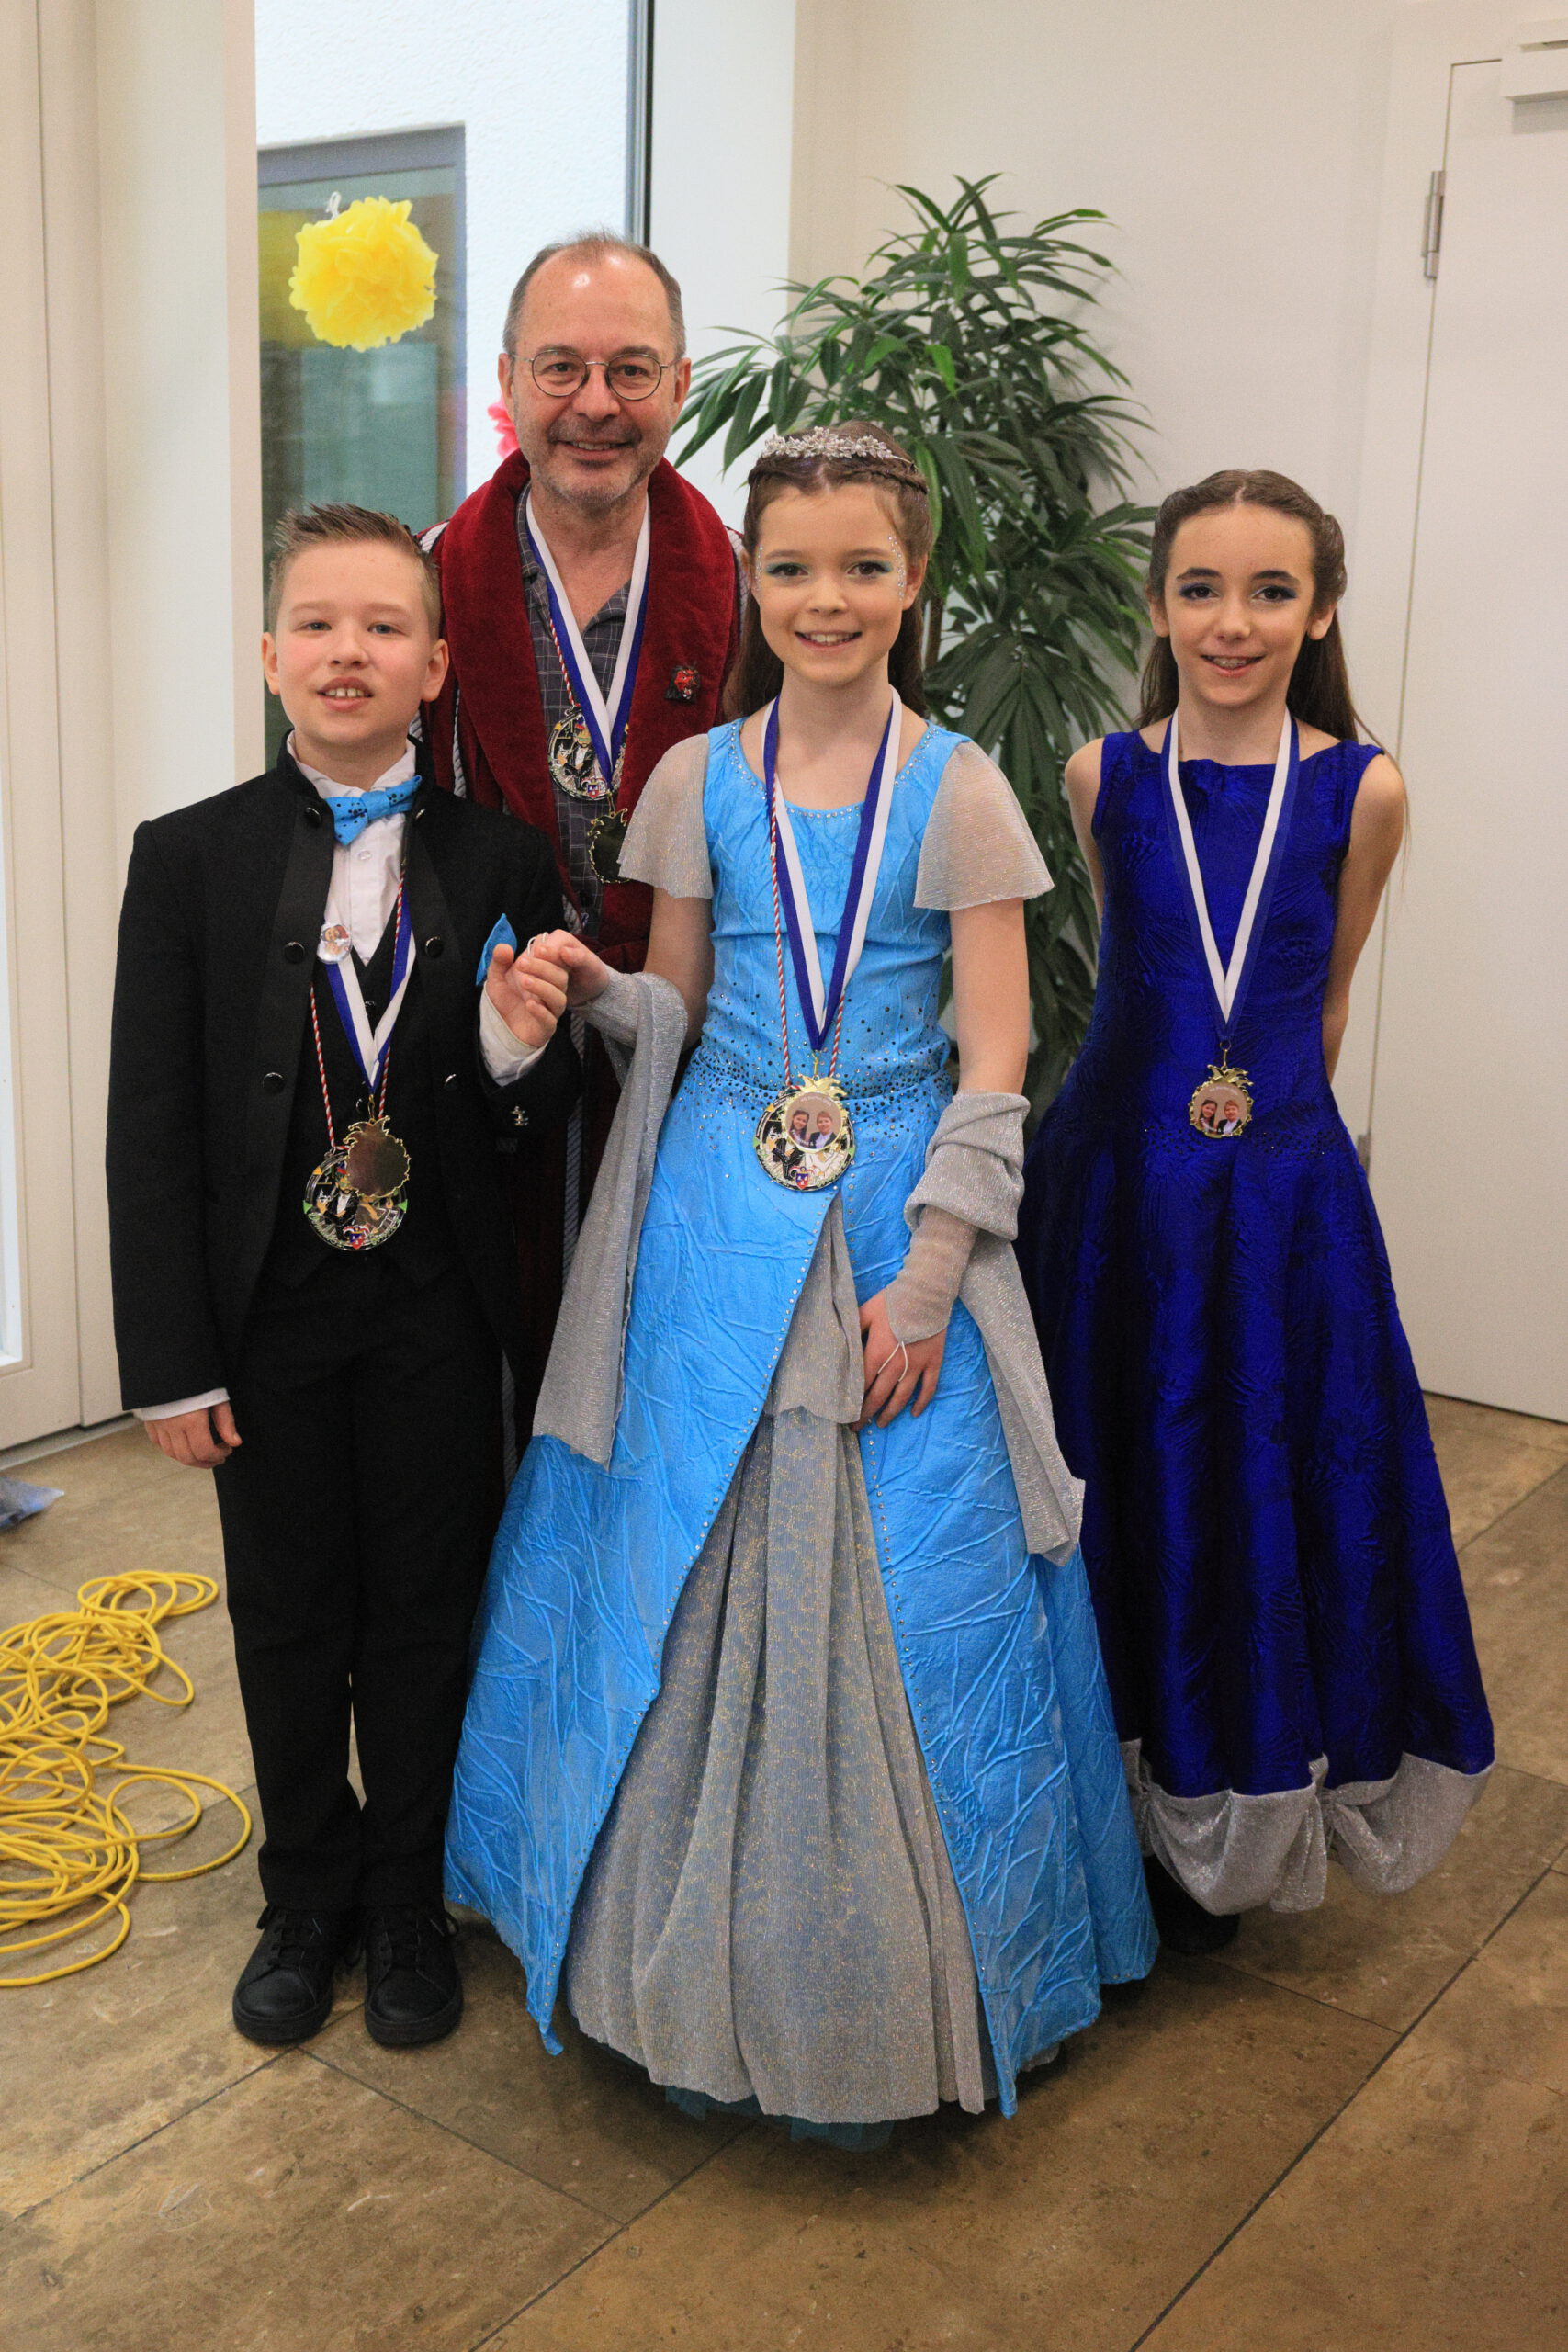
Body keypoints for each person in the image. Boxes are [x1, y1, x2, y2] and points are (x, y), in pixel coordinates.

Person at [445, 424, 1156, 2144]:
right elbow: (679, 1008)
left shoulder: (959, 786)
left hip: (895, 1208)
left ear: (913, 580)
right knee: (672, 1532)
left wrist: (930, 1279)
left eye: (861, 567)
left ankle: (905, 1996)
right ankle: (666, 1965)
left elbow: (1001, 1051)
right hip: (716, 1198)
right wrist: (586, 996)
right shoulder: (699, 776)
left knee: (909, 1560)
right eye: (790, 568)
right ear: (748, 583)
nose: (824, 598)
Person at [107, 504, 579, 2049]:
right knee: (288, 1606)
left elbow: (544, 1113)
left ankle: (407, 1893)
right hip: (267, 1318)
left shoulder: (503, 857)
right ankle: (303, 1893)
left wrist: (513, 1047)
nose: (348, 651)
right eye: (316, 623)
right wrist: (169, 1362)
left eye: (385, 626)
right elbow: (149, 1126)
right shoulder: (187, 858)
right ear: (269, 657)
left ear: (437, 665)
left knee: (426, 1607)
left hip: (437, 1307)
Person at [1014, 470, 1495, 1955]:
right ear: (1159, 605)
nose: (1234, 622)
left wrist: (1264, 1151)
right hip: (1116, 1193)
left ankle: (1228, 1785)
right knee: (1120, 1477)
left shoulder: (1364, 789)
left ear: (1321, 611)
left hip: (1278, 1200)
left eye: (1271, 591)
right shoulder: (1103, 776)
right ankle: (1111, 1801)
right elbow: (1135, 974)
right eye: (1202, 589)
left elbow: (1323, 998)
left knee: (1253, 1485)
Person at [421, 234, 742, 1426]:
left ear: (681, 383)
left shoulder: (754, 594)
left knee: (673, 1430)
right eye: (560, 367)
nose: (595, 404)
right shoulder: (421, 589)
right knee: (483, 1435)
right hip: (479, 1078)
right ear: (507, 379)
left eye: (631, 369)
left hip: (691, 1087)